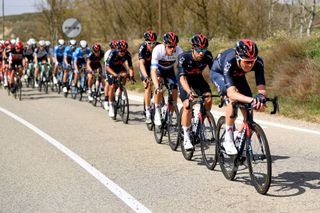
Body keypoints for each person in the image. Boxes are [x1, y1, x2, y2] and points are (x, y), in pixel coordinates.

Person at [210, 39, 267, 155]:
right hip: (219, 73)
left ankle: (239, 134)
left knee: (249, 107)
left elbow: (262, 89)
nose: (250, 65)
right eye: (246, 62)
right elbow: (231, 93)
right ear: (238, 57)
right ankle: (228, 139)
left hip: (238, 75)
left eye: (252, 61)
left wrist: (261, 98)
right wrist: (252, 99)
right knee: (233, 98)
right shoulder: (229, 61)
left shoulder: (258, 62)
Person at [178, 33, 214, 150]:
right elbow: (182, 78)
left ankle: (199, 120)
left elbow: (214, 73)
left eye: (204, 49)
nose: (201, 53)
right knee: (187, 105)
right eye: (198, 49)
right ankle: (186, 135)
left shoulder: (208, 56)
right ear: (193, 48)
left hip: (198, 78)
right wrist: (189, 91)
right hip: (185, 79)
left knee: (208, 98)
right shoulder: (184, 57)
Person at [151, 32, 183, 126]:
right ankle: (157, 111)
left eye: (174, 46)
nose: (173, 49)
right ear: (164, 45)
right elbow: (153, 71)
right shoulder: (158, 50)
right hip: (159, 72)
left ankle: (169, 114)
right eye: (170, 47)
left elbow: (182, 70)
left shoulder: (179, 51)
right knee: (159, 87)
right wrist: (156, 87)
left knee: (174, 94)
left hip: (170, 72)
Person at [105, 40, 135, 117]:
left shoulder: (127, 54)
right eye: (120, 51)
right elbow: (107, 67)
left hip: (119, 67)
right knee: (111, 86)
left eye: (124, 51)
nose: (122, 52)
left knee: (125, 74)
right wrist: (115, 74)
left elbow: (130, 67)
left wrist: (131, 76)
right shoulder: (113, 53)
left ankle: (121, 90)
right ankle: (111, 105)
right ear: (117, 49)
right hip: (111, 69)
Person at [138, 31, 160, 123]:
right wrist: (146, 77)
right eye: (149, 43)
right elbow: (141, 64)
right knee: (147, 86)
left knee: (159, 82)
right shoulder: (142, 48)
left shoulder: (159, 47)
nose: (152, 45)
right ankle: (147, 111)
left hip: (155, 68)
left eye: (154, 43)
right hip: (145, 69)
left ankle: (158, 104)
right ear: (145, 42)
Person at [103, 40, 117, 111]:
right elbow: (107, 66)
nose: (114, 50)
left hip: (116, 67)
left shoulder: (118, 52)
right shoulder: (107, 53)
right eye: (113, 48)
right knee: (108, 83)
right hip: (108, 68)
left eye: (115, 48)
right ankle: (106, 100)